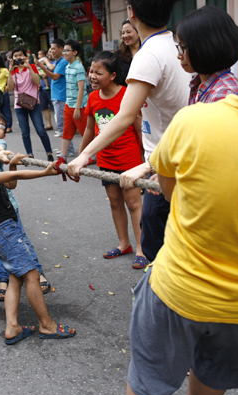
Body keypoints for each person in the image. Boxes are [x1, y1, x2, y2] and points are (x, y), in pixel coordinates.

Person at [127, 2, 238, 395]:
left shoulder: (193, 121)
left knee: (146, 386)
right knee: (212, 382)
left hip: (178, 290)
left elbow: (170, 191)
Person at [68, 0, 190, 263]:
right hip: (178, 161)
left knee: (159, 251)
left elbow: (125, 117)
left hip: (165, 168)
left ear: (131, 13)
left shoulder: (148, 54)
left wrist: (83, 155)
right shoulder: (176, 46)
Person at [0, 130, 76, 344]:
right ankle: (46, 324)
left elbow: (10, 183)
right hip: (6, 233)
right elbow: (16, 178)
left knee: (15, 279)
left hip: (2, 233)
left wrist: (13, 165)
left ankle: (12, 327)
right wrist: (46, 173)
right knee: (32, 276)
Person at [0, 112, 53, 300]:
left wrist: (11, 164)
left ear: (4, 134)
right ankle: (2, 279)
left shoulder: (0, 145)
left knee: (22, 240)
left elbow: (10, 182)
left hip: (8, 206)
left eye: (1, 126)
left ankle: (37, 272)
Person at [82, 52, 146, 268]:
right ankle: (123, 244)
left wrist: (146, 161)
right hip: (105, 161)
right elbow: (90, 129)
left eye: (98, 72)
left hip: (129, 160)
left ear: (112, 75)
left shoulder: (127, 94)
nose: (92, 75)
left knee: (134, 204)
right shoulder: (92, 98)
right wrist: (82, 156)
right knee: (115, 203)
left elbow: (138, 130)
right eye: (91, 71)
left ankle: (141, 248)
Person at [174, 6, 238, 106]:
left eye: (182, 47)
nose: (179, 56)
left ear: (204, 48)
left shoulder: (222, 96)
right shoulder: (203, 83)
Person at [7, 47, 54, 161]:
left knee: (40, 130)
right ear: (12, 58)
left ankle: (49, 153)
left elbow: (37, 81)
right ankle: (30, 154)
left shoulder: (31, 67)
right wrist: (9, 71)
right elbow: (11, 87)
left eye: (20, 55)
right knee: (25, 132)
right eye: (16, 56)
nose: (18, 57)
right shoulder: (13, 70)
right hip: (19, 105)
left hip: (33, 103)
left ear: (25, 57)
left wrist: (29, 67)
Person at [57, 39, 88, 162]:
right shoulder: (68, 66)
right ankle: (62, 157)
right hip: (68, 104)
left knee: (85, 132)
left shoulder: (79, 68)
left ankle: (89, 156)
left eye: (67, 50)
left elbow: (81, 89)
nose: (64, 53)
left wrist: (77, 108)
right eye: (63, 50)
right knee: (67, 130)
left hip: (79, 106)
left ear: (75, 52)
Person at [34, 39, 68, 139]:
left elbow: (54, 76)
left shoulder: (63, 61)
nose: (51, 51)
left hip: (61, 96)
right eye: (50, 48)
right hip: (57, 95)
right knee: (62, 125)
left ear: (61, 49)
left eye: (53, 48)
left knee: (63, 126)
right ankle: (66, 150)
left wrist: (42, 66)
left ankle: (68, 151)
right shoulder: (58, 61)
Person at [36, 50, 54, 131]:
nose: (50, 54)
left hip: (52, 87)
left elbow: (51, 69)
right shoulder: (41, 63)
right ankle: (49, 124)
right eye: (49, 52)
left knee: (55, 107)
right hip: (41, 88)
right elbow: (36, 71)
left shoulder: (55, 62)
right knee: (44, 107)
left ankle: (61, 126)